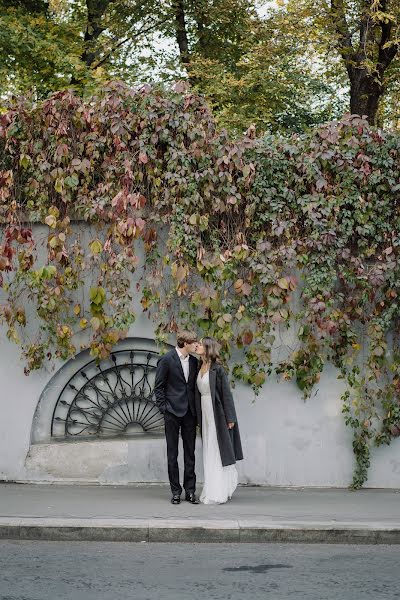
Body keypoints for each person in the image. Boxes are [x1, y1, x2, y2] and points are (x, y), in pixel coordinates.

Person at [195, 337, 243, 504]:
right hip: (205, 413)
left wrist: (231, 418)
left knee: (217, 450)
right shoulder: (198, 366)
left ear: (208, 348)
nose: (197, 346)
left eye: (200, 344)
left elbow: (226, 395)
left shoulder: (218, 369)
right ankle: (211, 487)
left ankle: (218, 491)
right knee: (208, 449)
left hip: (217, 413)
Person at [154, 330, 199, 505]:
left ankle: (190, 491)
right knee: (172, 454)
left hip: (189, 414)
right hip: (172, 413)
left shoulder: (194, 361)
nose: (196, 345)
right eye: (193, 342)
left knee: (190, 454)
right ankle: (175, 491)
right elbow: (159, 387)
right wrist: (164, 408)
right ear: (185, 344)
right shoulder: (166, 359)